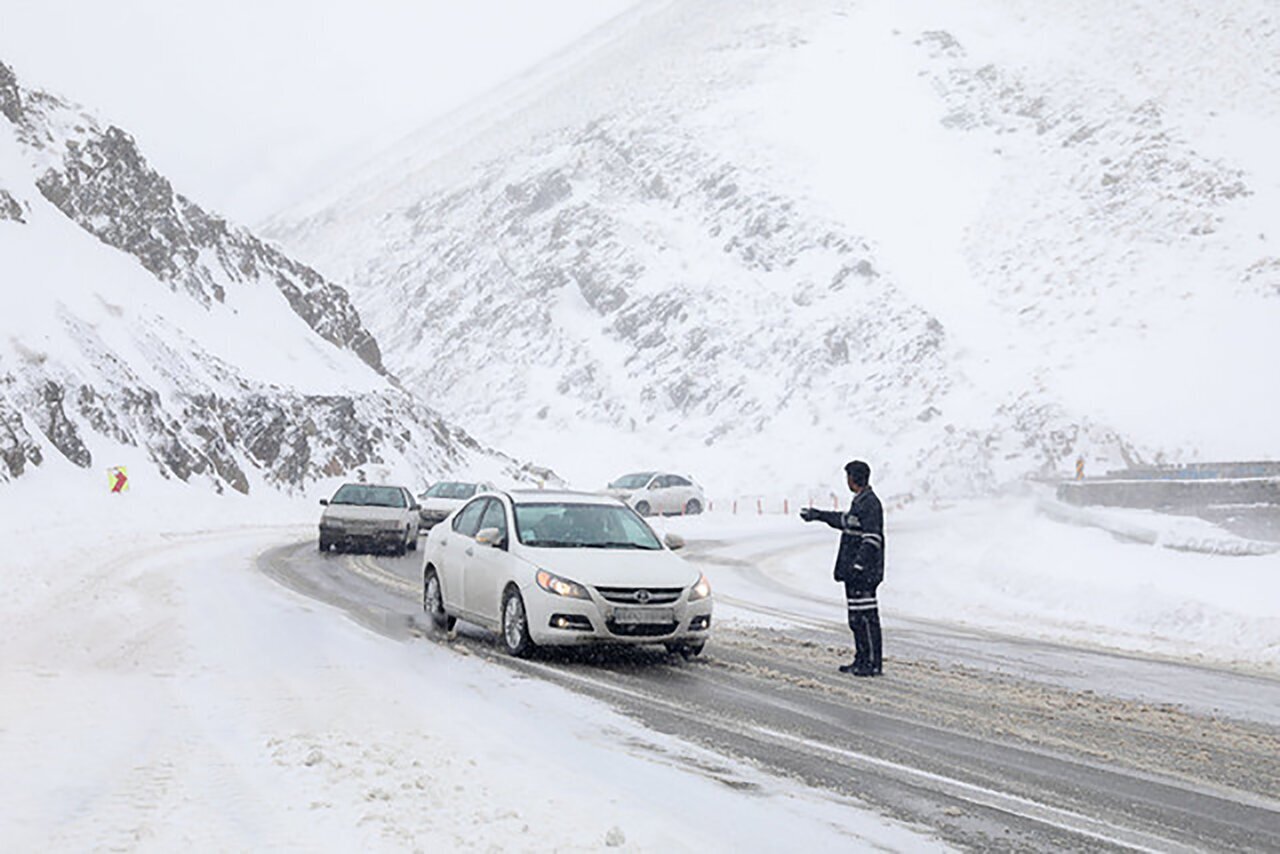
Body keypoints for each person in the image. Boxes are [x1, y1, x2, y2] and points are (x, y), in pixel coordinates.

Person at [799, 460, 884, 676]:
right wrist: (818, 515)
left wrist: (859, 564)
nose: (847, 480)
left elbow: (872, 539)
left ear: (854, 479)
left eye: (848, 476)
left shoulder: (871, 504)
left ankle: (872, 663)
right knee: (855, 619)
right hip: (854, 574)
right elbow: (844, 521)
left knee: (866, 618)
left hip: (864, 574)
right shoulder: (860, 502)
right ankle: (861, 659)